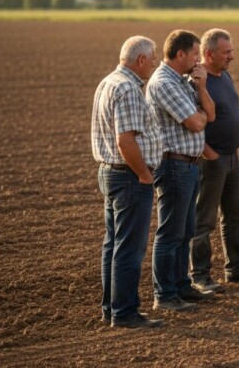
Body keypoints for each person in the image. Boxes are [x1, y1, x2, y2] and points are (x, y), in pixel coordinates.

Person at [91, 35, 164, 328]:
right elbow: (125, 140)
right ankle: (124, 313)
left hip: (110, 172)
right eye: (153, 59)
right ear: (141, 60)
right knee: (129, 248)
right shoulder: (128, 89)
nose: (155, 64)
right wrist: (144, 174)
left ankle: (111, 309)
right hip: (130, 175)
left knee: (113, 244)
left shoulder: (108, 82)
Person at [190, 28, 239, 292]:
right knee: (204, 219)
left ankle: (236, 269)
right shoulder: (196, 82)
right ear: (209, 54)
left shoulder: (224, 75)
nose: (232, 56)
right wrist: (208, 152)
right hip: (210, 160)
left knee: (236, 215)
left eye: (232, 51)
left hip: (231, 158)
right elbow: (190, 123)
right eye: (226, 52)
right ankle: (199, 275)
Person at [146, 29, 216, 311]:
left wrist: (201, 88)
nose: (199, 60)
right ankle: (164, 295)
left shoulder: (186, 81)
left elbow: (210, 114)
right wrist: (200, 115)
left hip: (189, 164)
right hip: (173, 164)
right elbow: (196, 123)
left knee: (185, 230)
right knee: (170, 233)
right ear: (180, 54)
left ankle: (182, 286)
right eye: (195, 54)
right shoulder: (164, 83)